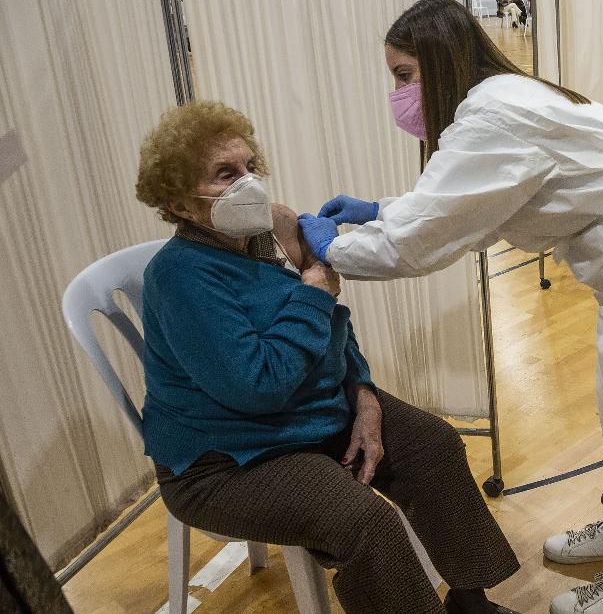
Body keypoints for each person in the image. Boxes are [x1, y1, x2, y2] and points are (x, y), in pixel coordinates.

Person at [297, 0, 603, 614]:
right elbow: (468, 204)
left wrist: (334, 250)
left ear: (439, 62)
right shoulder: (502, 98)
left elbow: (426, 238)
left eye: (404, 77)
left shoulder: (492, 116)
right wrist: (379, 211)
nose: (399, 95)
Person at [133, 102, 520, 614]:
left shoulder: (267, 236)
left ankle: (472, 602)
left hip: (309, 417)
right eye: (226, 174)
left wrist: (363, 396)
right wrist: (315, 292)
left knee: (432, 446)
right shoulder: (181, 276)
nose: (248, 183)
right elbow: (258, 385)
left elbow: (334, 334)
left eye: (250, 167)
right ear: (180, 203)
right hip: (228, 458)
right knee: (364, 522)